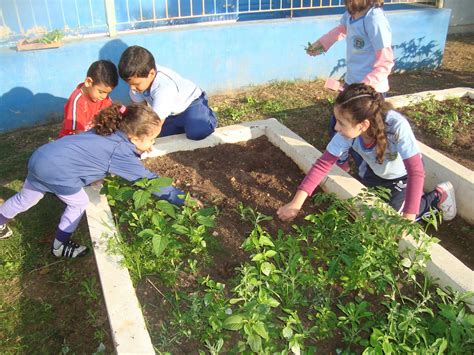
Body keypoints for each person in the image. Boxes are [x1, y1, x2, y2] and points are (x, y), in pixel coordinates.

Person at [0, 103, 185, 256]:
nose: (152, 145)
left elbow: (86, 155)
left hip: (41, 158)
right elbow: (148, 181)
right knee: (79, 203)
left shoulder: (108, 129)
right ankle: (60, 246)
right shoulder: (120, 151)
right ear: (135, 138)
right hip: (56, 171)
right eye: (152, 140)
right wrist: (182, 199)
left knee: (25, 199)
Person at [277, 84, 457, 224]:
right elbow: (322, 165)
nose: (336, 127)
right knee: (361, 211)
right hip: (374, 172)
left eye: (340, 122)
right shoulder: (347, 133)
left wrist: (408, 218)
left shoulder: (396, 127)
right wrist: (296, 204)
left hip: (401, 177)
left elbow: (416, 171)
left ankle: (438, 197)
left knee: (393, 221)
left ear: (363, 125)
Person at [307, 0, 394, 170]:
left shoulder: (375, 20)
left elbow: (385, 62)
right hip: (352, 85)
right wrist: (322, 44)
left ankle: (370, 171)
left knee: (366, 136)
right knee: (338, 126)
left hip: (370, 91)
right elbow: (341, 30)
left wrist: (363, 87)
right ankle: (342, 162)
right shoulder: (351, 13)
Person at [118, 45, 217, 140]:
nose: (132, 88)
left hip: (191, 104)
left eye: (136, 84)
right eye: (129, 84)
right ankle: (182, 124)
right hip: (171, 113)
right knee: (158, 134)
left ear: (151, 73)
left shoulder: (164, 87)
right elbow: (140, 109)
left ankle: (208, 116)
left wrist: (143, 142)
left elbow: (157, 122)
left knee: (197, 132)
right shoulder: (139, 79)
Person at [58, 60, 118, 138]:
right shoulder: (77, 100)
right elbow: (79, 133)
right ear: (88, 82)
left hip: (92, 137)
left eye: (108, 93)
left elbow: (111, 116)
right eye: (101, 92)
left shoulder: (103, 97)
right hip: (73, 140)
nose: (104, 96)